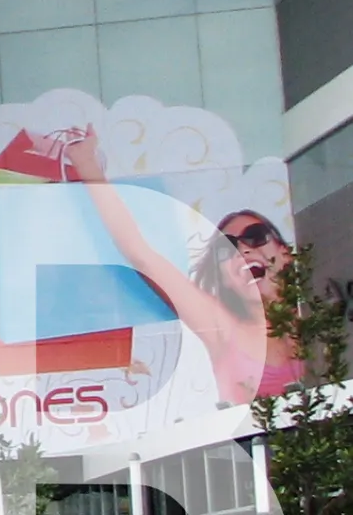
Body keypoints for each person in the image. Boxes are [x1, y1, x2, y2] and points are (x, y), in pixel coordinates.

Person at [62, 130, 302, 404]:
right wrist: (87, 165)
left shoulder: (317, 314)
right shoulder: (222, 327)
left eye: (255, 236)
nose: (244, 250)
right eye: (228, 249)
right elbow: (140, 254)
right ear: (225, 279)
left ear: (285, 253)